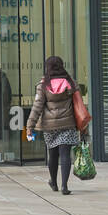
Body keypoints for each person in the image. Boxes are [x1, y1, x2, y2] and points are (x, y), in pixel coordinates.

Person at [25, 56, 83, 195]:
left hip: (49, 125)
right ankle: (64, 186)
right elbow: (78, 104)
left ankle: (54, 182)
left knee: (53, 154)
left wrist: (29, 125)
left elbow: (37, 107)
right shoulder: (70, 82)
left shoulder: (43, 85)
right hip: (67, 123)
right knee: (65, 155)